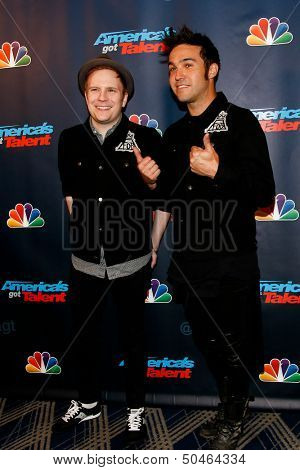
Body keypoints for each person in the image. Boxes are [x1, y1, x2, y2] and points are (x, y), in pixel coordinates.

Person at [151, 26, 275, 449]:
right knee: (209, 341)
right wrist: (152, 240)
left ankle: (233, 415)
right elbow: (166, 200)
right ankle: (229, 405)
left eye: (188, 64)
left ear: (212, 69)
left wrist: (218, 171)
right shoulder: (172, 136)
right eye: (172, 68)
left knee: (234, 343)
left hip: (230, 260)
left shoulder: (240, 122)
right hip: (187, 262)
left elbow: (262, 194)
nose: (178, 74)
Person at [55, 55, 163, 442]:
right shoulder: (69, 139)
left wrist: (151, 245)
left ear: (126, 97)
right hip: (84, 262)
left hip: (132, 262)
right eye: (94, 90)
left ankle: (135, 410)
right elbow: (71, 199)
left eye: (111, 90)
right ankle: (87, 404)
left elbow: (161, 200)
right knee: (84, 339)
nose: (102, 97)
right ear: (85, 95)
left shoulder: (147, 140)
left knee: (134, 340)